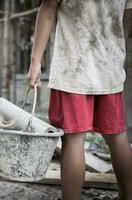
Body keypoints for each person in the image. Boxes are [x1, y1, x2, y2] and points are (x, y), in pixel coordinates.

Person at [27, 0, 132, 199]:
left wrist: (35, 61)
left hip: (73, 68)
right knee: (117, 136)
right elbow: (127, 19)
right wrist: (116, 53)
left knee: (74, 138)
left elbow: (48, 8)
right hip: (109, 68)